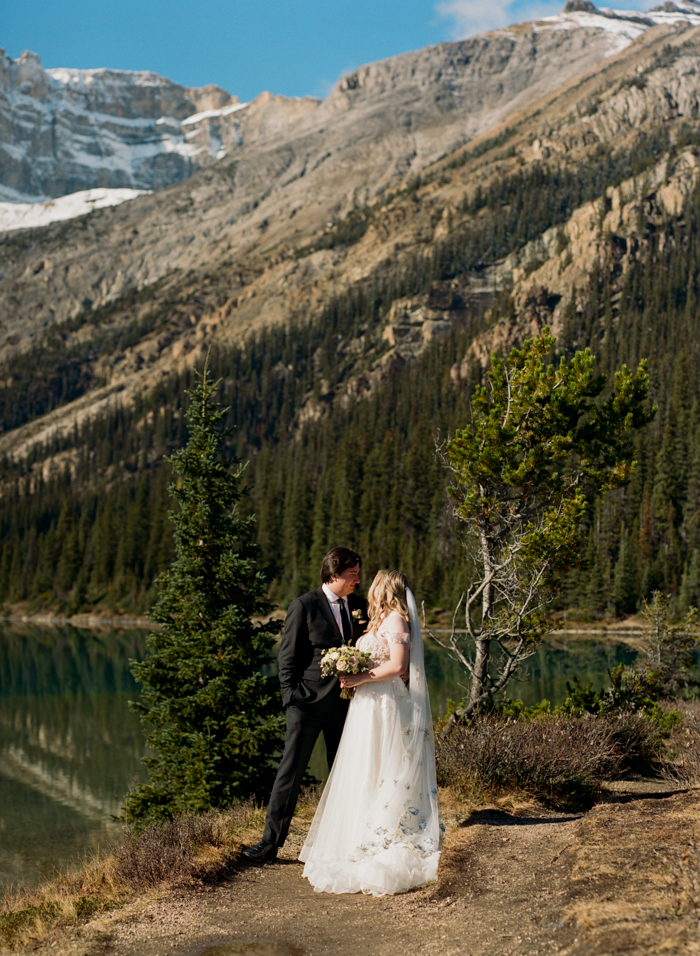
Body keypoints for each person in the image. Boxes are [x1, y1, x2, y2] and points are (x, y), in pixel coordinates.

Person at [299, 569, 441, 896]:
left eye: (374, 583)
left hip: (386, 704)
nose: (369, 588)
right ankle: (357, 833)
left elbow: (399, 666)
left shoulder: (395, 621)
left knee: (382, 765)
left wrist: (361, 677)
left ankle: (383, 837)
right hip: (366, 705)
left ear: (385, 588)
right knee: (363, 765)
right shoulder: (378, 620)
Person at [243, 547, 368, 863]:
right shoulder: (304, 605)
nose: (357, 579)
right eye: (352, 574)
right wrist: (292, 698)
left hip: (346, 705)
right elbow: (287, 658)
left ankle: (349, 840)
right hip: (307, 705)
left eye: (357, 573)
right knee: (291, 772)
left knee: (347, 773)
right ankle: (270, 844)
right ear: (333, 574)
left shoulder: (359, 605)